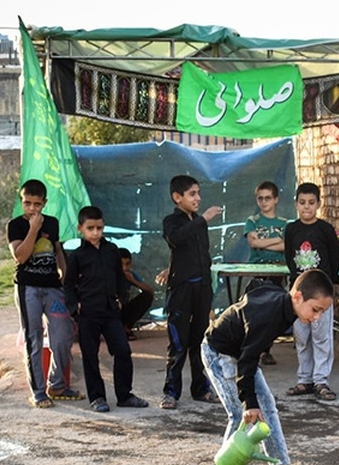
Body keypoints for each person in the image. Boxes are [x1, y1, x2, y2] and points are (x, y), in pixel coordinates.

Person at [201, 270, 335, 465]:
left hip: (240, 352)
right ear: (297, 297)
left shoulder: (282, 302)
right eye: (315, 310)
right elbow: (247, 362)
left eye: (322, 312)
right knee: (240, 414)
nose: (317, 317)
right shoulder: (269, 316)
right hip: (220, 353)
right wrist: (249, 402)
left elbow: (255, 287)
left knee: (268, 407)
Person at [64, 205, 149, 412]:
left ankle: (125, 395)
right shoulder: (76, 256)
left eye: (99, 228)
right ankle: (97, 398)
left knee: (122, 350)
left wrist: (121, 298)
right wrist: (75, 308)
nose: (95, 233)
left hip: (111, 312)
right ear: (80, 229)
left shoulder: (112, 251)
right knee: (90, 355)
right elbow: (68, 285)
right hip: (88, 314)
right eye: (90, 228)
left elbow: (120, 278)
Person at [6, 178, 80, 408]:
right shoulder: (16, 225)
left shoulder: (53, 223)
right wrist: (33, 229)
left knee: (62, 334)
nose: (32, 209)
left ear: (44, 203)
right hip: (28, 287)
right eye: (27, 203)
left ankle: (57, 384)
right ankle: (38, 391)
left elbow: (57, 250)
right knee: (34, 338)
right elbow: (20, 256)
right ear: (22, 202)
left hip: (52, 287)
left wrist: (63, 274)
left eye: (37, 204)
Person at [161, 174, 221, 410]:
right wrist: (203, 219)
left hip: (202, 288)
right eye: (192, 194)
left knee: (200, 342)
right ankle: (171, 392)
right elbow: (176, 239)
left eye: (198, 193)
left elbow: (197, 255)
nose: (198, 198)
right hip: (181, 291)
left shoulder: (198, 222)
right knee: (178, 344)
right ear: (177, 197)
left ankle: (201, 388)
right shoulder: (172, 222)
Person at [283, 182, 339, 402]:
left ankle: (321, 380)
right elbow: (290, 258)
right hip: (299, 295)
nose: (306, 207)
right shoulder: (291, 229)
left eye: (311, 203)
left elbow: (335, 261)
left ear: (319, 204)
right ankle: (304, 379)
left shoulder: (325, 229)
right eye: (302, 203)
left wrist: (325, 288)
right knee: (302, 336)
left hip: (319, 295)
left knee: (321, 336)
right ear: (296, 204)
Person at [243, 180, 288, 366]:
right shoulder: (252, 221)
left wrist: (264, 241)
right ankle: (249, 349)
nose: (264, 202)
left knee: (274, 313)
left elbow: (286, 246)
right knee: (253, 312)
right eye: (260, 198)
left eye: (267, 198)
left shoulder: (285, 223)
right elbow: (253, 243)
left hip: (278, 270)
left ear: (276, 199)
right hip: (257, 270)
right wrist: (276, 239)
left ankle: (266, 350)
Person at [117, 248, 155, 340]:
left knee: (147, 296)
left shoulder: (130, 275)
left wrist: (133, 281)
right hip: (110, 310)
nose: (124, 268)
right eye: (121, 264)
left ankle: (126, 327)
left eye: (127, 264)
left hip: (123, 309)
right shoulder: (109, 274)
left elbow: (150, 291)